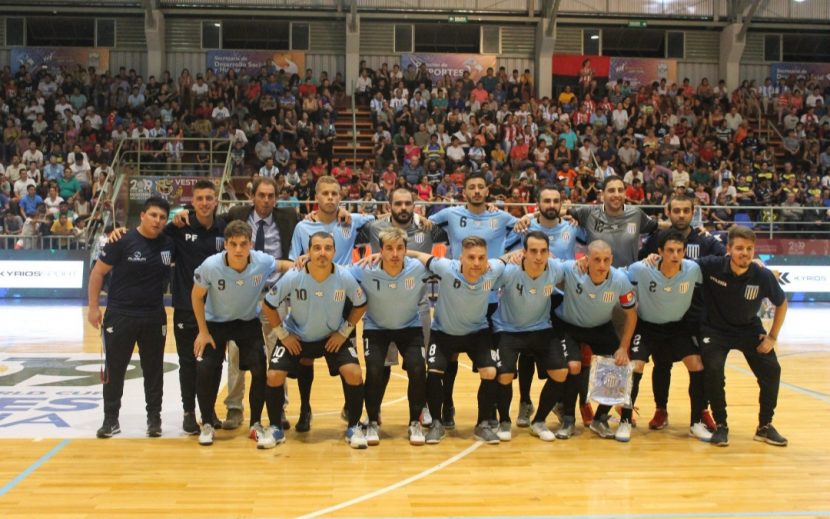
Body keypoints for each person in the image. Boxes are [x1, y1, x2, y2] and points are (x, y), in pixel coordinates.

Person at [174, 176, 298, 430]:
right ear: (252, 196)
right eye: (261, 195)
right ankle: (234, 408)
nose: (265, 199)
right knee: (233, 358)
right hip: (235, 298)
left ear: (276, 197)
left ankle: (278, 408)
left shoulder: (288, 218)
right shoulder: (235, 215)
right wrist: (182, 214)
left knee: (275, 354)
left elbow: (284, 260)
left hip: (273, 294)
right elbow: (204, 215)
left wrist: (299, 266)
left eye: (270, 195)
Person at [262, 232, 369, 449]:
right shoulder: (294, 275)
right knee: (273, 375)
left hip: (332, 337)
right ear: (308, 252)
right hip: (297, 337)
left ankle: (355, 426)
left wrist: (344, 331)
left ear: (334, 252)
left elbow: (361, 303)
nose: (322, 253)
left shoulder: (344, 276)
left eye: (328, 248)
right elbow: (268, 305)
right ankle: (275, 429)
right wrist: (283, 335)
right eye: (317, 248)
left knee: (354, 373)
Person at [191, 221, 294, 447]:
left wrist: (302, 264)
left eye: (243, 244)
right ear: (225, 245)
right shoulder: (210, 266)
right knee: (206, 369)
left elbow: (284, 265)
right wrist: (202, 332)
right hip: (215, 323)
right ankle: (207, 423)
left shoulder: (261, 261)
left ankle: (255, 423)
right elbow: (197, 296)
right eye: (233, 244)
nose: (238, 249)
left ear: (250, 244)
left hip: (246, 322)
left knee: (259, 369)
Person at [428, 174, 518, 429]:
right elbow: (421, 222)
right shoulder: (451, 214)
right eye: (472, 187)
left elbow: (527, 227)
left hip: (493, 297)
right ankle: (447, 404)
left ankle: (491, 414)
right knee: (451, 355)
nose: (477, 191)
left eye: (481, 187)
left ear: (488, 190)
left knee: (493, 362)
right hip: (459, 293)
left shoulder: (501, 217)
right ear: (463, 191)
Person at [288, 175, 375, 431]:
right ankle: (305, 408)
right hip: (310, 298)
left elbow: (378, 220)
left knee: (346, 353)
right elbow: (294, 261)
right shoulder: (303, 228)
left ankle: (350, 408)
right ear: (316, 197)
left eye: (335, 194)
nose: (330, 198)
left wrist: (350, 213)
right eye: (325, 194)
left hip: (344, 297)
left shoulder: (351, 221)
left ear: (340, 197)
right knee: (305, 358)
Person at [87, 197, 174, 438]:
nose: (158, 221)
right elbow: (97, 273)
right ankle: (110, 419)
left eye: (162, 217)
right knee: (115, 370)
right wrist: (93, 308)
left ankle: (154, 418)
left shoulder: (169, 243)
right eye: (154, 215)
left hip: (154, 317)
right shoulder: (121, 240)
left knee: (154, 370)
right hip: (120, 315)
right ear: (143, 215)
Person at [406, 236, 507, 445]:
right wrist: (397, 254)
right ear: (461, 258)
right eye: (471, 257)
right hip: (443, 332)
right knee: (434, 372)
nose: (477, 263)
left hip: (477, 332)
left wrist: (521, 254)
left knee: (490, 371)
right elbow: (420, 255)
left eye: (481, 258)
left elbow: (508, 259)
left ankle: (482, 424)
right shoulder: (445, 267)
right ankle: (436, 422)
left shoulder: (493, 270)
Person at [639, 194, 725, 430]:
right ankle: (660, 410)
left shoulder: (706, 239)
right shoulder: (657, 237)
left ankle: (701, 412)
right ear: (668, 211)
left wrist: (757, 262)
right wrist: (650, 257)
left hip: (698, 317)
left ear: (693, 211)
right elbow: (642, 264)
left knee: (700, 365)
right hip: (664, 312)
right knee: (662, 364)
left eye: (686, 210)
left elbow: (726, 260)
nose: (681, 215)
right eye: (676, 210)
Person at [697, 226, 788, 447]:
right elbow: (681, 264)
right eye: (739, 248)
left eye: (749, 249)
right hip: (715, 330)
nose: (744, 253)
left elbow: (781, 303)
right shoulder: (711, 266)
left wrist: (772, 337)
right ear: (728, 249)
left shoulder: (762, 275)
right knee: (714, 368)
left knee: (772, 370)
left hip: (748, 329)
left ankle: (764, 426)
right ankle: (721, 425)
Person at [503, 186, 584, 427]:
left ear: (562, 203)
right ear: (537, 203)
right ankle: (525, 401)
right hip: (529, 294)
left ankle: (559, 402)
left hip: (560, 297)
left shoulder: (572, 226)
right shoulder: (524, 227)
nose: (551, 204)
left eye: (555, 200)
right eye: (546, 200)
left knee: (561, 353)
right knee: (526, 353)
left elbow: (593, 243)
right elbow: (507, 251)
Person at [544, 240, 638, 440]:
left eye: (606, 260)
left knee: (621, 367)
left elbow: (631, 315)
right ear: (586, 260)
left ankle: (600, 418)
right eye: (596, 260)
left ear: (612, 260)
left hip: (600, 327)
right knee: (574, 366)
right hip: (568, 325)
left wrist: (623, 347)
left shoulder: (620, 280)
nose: (602, 265)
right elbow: (547, 263)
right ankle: (568, 419)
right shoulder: (571, 270)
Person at [626, 230, 712, 442]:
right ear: (660, 251)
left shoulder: (693, 269)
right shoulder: (641, 269)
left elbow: (722, 266)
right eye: (670, 250)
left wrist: (757, 262)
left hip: (677, 328)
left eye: (679, 251)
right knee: (635, 366)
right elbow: (614, 275)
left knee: (697, 365)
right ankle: (625, 421)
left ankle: (695, 424)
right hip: (646, 327)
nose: (675, 255)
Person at [350, 227, 429, 445]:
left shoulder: (417, 268)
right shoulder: (366, 268)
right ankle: (373, 420)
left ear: (406, 250)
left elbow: (444, 265)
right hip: (376, 328)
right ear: (380, 250)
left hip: (409, 327)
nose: (394, 254)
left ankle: (415, 422)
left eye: (400, 248)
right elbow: (335, 271)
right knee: (375, 371)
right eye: (389, 249)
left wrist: (412, 254)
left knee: (417, 368)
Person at [492, 231, 567, 442]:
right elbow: (486, 269)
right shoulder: (509, 271)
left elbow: (582, 267)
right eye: (533, 251)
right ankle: (504, 420)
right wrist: (508, 256)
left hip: (541, 327)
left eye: (543, 251)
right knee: (504, 375)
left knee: (560, 372)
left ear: (549, 253)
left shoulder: (556, 269)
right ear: (523, 252)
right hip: (507, 328)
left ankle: (539, 421)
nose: (538, 256)